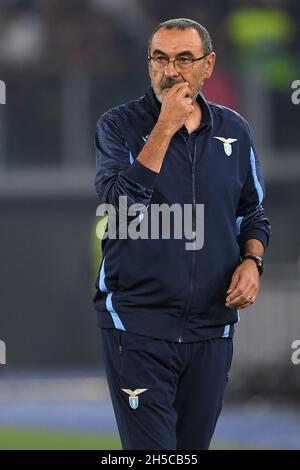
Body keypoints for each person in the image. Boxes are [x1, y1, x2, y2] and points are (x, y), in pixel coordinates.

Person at [93, 18, 271, 450]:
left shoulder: (234, 131)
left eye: (183, 59)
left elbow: (253, 213)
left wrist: (253, 262)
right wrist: (165, 126)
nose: (169, 70)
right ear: (149, 63)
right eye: (159, 58)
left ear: (208, 65)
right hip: (138, 324)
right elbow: (119, 207)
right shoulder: (118, 126)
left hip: (212, 326)